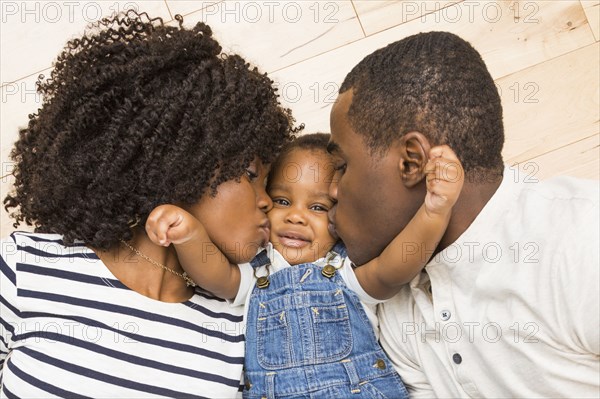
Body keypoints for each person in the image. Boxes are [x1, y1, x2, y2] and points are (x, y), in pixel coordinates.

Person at [0, 10, 298, 397]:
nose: (265, 203)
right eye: (251, 174)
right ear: (188, 161)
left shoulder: (244, 322)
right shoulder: (26, 269)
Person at [327, 31, 600, 398]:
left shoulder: (581, 238)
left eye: (342, 166)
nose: (331, 191)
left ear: (412, 161)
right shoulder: (393, 311)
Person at [144, 133, 464, 398]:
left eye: (317, 207)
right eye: (282, 201)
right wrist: (189, 233)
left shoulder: (343, 266)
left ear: (340, 215)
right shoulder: (259, 269)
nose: (296, 216)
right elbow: (216, 276)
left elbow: (393, 269)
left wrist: (434, 210)